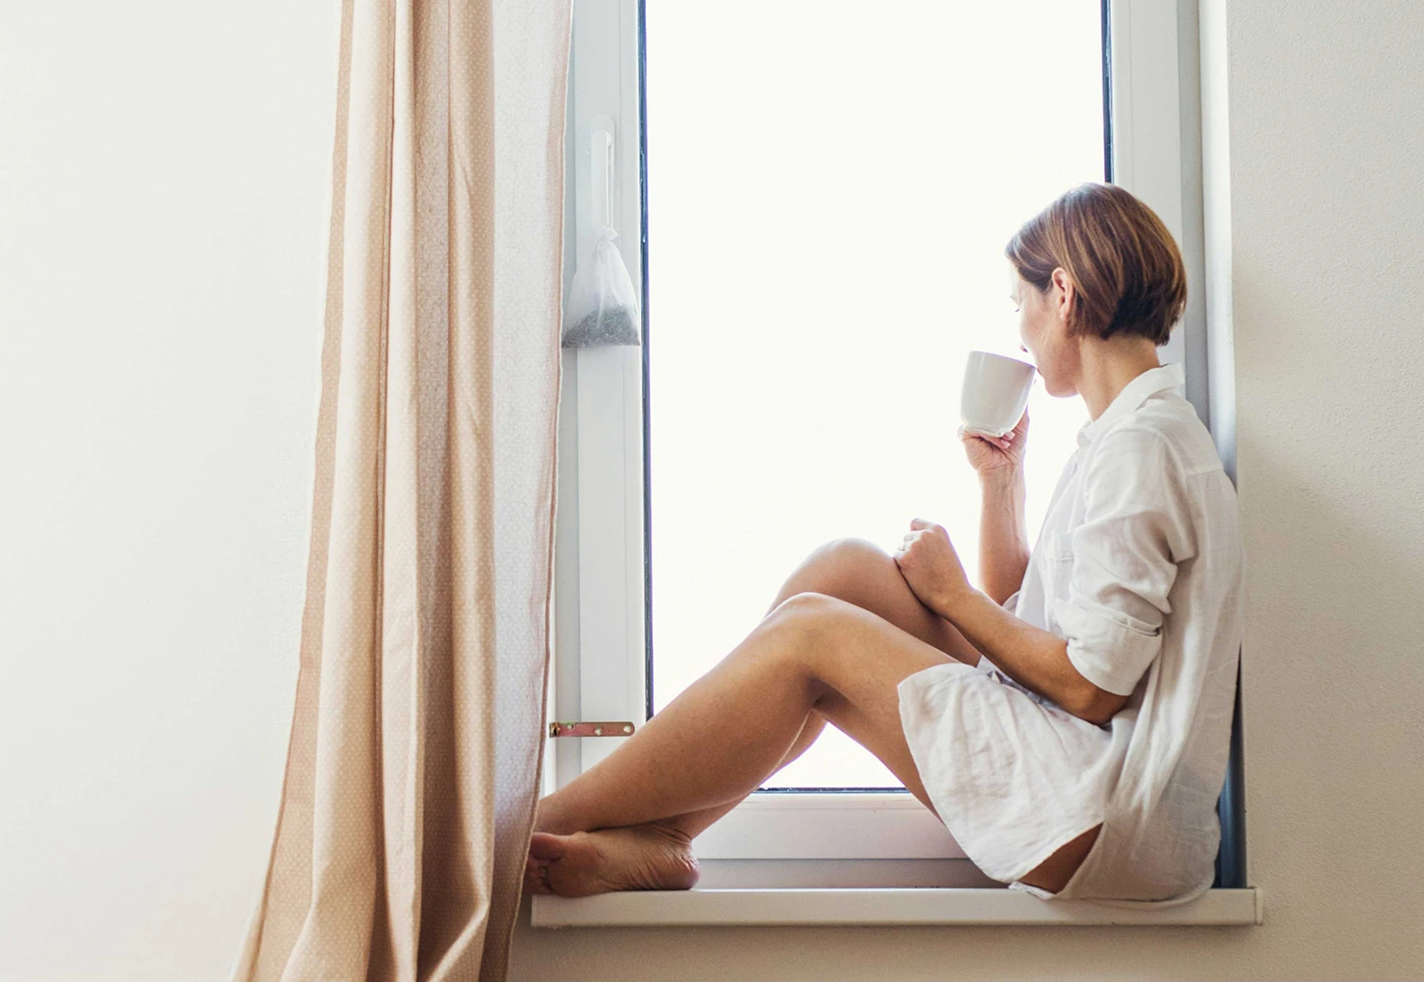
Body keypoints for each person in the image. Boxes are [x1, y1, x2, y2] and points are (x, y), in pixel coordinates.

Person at [525, 182, 1244, 903]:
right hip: (1089, 780)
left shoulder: (1141, 450)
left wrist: (950, 595)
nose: (1020, 332)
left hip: (1108, 818)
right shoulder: (1122, 439)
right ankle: (667, 834)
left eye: (1018, 303)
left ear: (1062, 293)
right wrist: (1001, 481)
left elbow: (1090, 687)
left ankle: (534, 824)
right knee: (844, 571)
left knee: (811, 633)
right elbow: (1026, 624)